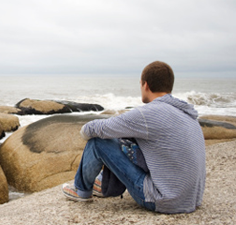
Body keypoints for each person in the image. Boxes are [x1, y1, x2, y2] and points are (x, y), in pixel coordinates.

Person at [62, 61, 206, 214]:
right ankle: (102, 184)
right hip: (192, 198)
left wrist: (84, 132)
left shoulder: (149, 114)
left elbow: (98, 129)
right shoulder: (187, 114)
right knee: (129, 139)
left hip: (163, 199)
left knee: (97, 142)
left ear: (146, 85)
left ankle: (81, 190)